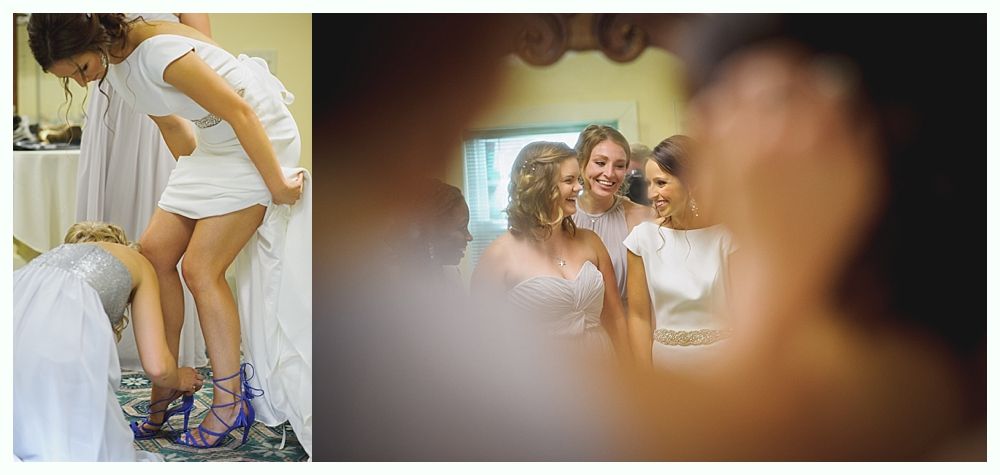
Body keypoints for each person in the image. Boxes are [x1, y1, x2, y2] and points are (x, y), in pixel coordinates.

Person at [27, 13, 311, 454]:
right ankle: (168, 384)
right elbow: (172, 125)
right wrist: (190, 194)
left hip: (258, 138)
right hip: (214, 149)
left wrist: (274, 185)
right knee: (154, 254)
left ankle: (229, 401)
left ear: (93, 39)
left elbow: (241, 111)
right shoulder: (115, 68)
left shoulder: (158, 53)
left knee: (201, 269)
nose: (84, 82)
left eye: (81, 69)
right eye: (73, 78)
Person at [76, 12, 211, 378]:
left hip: (165, 94)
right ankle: (110, 340)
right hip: (112, 103)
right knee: (112, 213)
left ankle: (162, 352)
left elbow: (203, 50)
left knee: (162, 223)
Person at [13, 222, 204, 461]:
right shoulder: (137, 261)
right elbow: (158, 367)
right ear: (122, 244)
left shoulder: (50, 260)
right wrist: (178, 377)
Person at [472, 141, 630, 362]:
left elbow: (615, 317)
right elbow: (483, 338)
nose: (578, 187)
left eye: (578, 179)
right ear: (540, 186)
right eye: (569, 180)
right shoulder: (498, 256)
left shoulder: (591, 241)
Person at [622, 135, 736, 373]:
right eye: (649, 184)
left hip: (723, 365)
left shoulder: (727, 237)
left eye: (661, 183)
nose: (652, 194)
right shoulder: (641, 239)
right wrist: (647, 376)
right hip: (666, 365)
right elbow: (639, 317)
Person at [572, 125, 656, 307]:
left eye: (619, 166)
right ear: (581, 163)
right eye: (600, 163)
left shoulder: (643, 217)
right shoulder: (561, 218)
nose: (609, 174)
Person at [383, 177, 473, 288]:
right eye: (461, 227)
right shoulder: (388, 283)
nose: (469, 237)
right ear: (430, 230)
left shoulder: (451, 275)